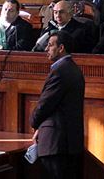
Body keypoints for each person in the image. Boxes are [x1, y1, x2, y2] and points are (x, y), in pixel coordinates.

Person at [31, 31, 85, 179]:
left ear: (61, 48)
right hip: (68, 143)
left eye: (50, 45)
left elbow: (45, 104)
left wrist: (34, 122)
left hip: (56, 143)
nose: (46, 49)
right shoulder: (72, 68)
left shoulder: (60, 71)